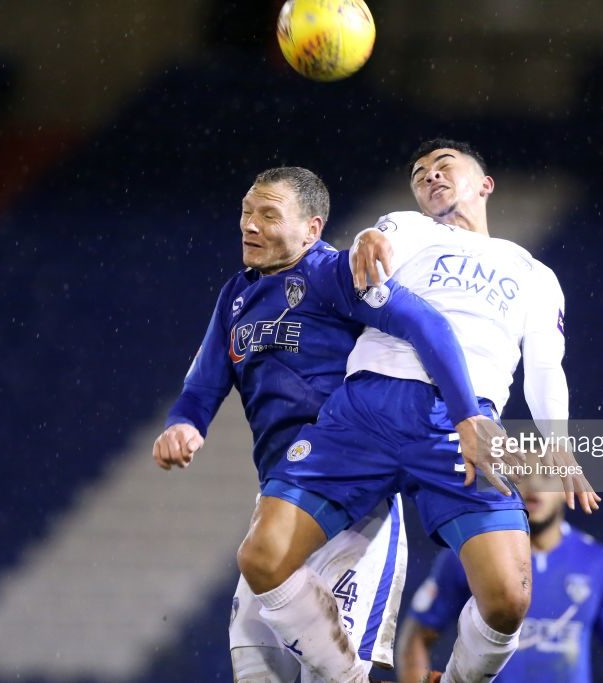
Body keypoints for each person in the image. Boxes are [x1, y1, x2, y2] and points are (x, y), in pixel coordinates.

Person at [237, 140, 599, 682]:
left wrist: (558, 441)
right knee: (262, 557)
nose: (429, 176)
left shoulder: (534, 274)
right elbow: (380, 239)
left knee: (507, 600)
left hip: (465, 428)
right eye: (419, 172)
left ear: (485, 183)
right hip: (366, 409)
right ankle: (349, 676)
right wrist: (368, 238)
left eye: (444, 166)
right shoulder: (412, 228)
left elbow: (547, 367)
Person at [152, 166, 489, 681]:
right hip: (281, 503)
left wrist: (467, 414)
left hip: (356, 510)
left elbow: (425, 323)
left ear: (312, 229)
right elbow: (202, 386)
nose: (251, 226)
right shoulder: (236, 296)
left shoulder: (334, 274)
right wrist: (185, 424)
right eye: (247, 212)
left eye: (268, 215)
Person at [397, 481, 603, 683]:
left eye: (547, 474)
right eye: (522, 473)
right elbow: (416, 638)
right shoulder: (465, 556)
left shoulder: (600, 562)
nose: (534, 484)